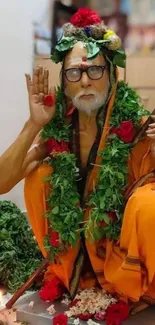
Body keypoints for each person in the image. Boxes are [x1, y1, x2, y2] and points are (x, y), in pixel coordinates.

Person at [1, 7, 155, 317]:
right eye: (74, 72)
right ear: (65, 82)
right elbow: (3, 183)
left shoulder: (137, 126)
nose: (84, 81)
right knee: (39, 175)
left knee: (148, 204)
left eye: (94, 70)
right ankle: (73, 276)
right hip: (75, 261)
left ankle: (128, 282)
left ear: (112, 75)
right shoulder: (58, 130)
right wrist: (33, 126)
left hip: (121, 261)